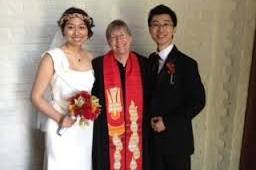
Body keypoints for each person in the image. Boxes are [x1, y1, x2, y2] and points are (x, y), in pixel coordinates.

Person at [31, 7, 95, 170]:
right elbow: (36, 97)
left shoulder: (92, 58)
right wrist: (61, 119)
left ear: (87, 31)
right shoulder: (52, 57)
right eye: (71, 27)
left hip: (85, 128)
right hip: (60, 125)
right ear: (63, 30)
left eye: (81, 27)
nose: (76, 32)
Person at [147, 4, 206, 170]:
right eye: (155, 24)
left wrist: (168, 122)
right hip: (151, 143)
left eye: (166, 24)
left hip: (176, 143)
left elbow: (198, 101)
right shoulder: (150, 61)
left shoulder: (187, 64)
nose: (161, 29)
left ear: (174, 29)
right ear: (150, 29)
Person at [91, 19, 151, 170]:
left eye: (123, 35)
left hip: (138, 131)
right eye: (113, 37)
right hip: (107, 133)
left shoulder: (145, 64)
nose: (119, 40)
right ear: (108, 41)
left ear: (130, 38)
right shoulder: (97, 65)